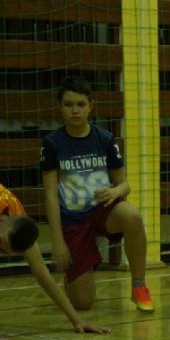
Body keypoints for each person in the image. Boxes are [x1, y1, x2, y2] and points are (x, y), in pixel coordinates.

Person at [40, 76, 155, 312]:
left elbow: (124, 185)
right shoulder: (52, 143)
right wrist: (57, 241)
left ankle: (139, 286)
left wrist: (115, 191)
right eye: (69, 104)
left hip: (103, 211)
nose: (75, 110)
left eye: (80, 104)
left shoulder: (105, 139)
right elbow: (50, 194)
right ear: (59, 107)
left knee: (132, 216)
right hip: (73, 220)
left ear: (90, 106)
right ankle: (74, 276)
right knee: (83, 304)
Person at [0, 184, 110, 340]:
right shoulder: (6, 228)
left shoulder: (19, 221)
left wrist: (77, 321)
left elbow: (43, 275)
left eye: (3, 250)